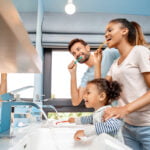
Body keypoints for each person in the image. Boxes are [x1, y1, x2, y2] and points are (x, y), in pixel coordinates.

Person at [95, 18, 150, 150]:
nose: (106, 34)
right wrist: (97, 63)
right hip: (128, 127)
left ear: (124, 31)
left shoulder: (139, 51)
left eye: (110, 30)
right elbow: (101, 92)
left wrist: (123, 109)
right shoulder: (115, 64)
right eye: (105, 32)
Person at [68, 38, 120, 106]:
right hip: (113, 111)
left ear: (87, 48)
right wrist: (73, 74)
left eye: (78, 49)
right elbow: (75, 101)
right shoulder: (86, 76)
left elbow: (130, 55)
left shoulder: (109, 53)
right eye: (74, 53)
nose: (77, 54)